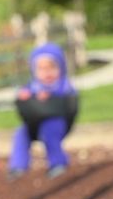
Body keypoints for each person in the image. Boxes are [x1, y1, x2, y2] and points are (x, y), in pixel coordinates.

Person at [8, 42, 77, 179]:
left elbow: (68, 100)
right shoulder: (33, 86)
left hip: (57, 122)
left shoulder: (63, 85)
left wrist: (50, 96)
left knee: (49, 132)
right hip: (34, 123)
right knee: (21, 133)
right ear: (34, 70)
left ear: (61, 68)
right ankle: (18, 166)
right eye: (41, 69)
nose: (47, 73)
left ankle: (58, 163)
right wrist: (25, 96)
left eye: (51, 68)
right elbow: (25, 96)